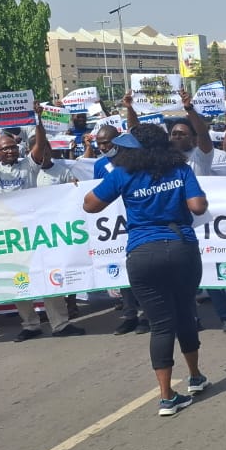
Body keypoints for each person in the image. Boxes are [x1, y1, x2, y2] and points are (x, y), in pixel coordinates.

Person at [83, 124, 210, 416]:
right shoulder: (180, 170)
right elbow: (198, 206)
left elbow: (90, 205)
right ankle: (195, 377)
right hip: (181, 247)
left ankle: (166, 397)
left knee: (161, 324)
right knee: (185, 312)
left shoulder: (122, 174)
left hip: (142, 252)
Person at [0, 104, 85, 343]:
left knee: (48, 275)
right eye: (5, 149)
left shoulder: (29, 165)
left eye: (13, 147)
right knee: (18, 280)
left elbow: (40, 145)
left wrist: (38, 119)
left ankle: (60, 324)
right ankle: (30, 325)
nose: (10, 151)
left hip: (34, 231)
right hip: (7, 235)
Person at [134, 90, 226, 331]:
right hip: (177, 226)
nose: (177, 137)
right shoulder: (164, 163)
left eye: (182, 133)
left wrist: (190, 110)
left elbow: (204, 134)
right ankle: (192, 320)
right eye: (174, 134)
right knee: (183, 279)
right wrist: (131, 110)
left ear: (193, 139)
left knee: (210, 272)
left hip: (202, 223)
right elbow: (138, 136)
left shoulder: (201, 157)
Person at [90, 125, 150, 336]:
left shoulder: (135, 161)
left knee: (142, 272)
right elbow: (97, 192)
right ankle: (129, 315)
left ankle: (147, 315)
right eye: (99, 144)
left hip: (136, 220)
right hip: (113, 225)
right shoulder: (99, 165)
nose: (103, 147)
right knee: (121, 269)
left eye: (106, 143)